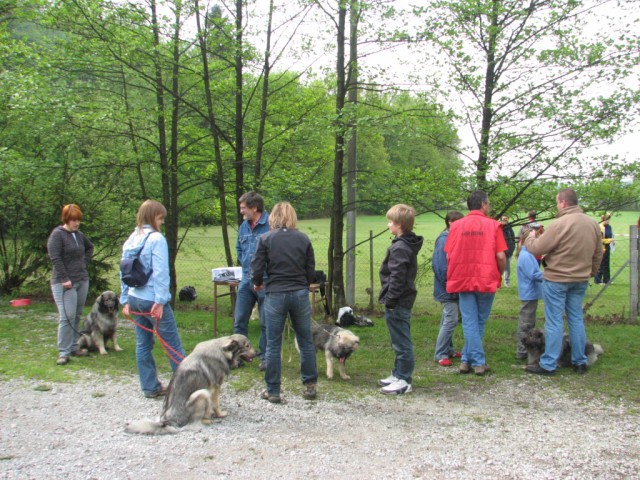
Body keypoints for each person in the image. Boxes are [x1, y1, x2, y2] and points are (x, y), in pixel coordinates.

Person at [523, 188, 602, 375]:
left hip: (557, 279)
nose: (557, 205)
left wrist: (530, 238)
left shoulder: (560, 224)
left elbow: (537, 248)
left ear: (563, 202)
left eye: (557, 202)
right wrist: (591, 271)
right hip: (580, 279)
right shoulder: (592, 224)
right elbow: (598, 253)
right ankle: (580, 361)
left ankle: (549, 363)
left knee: (554, 322)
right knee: (576, 319)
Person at [251, 201, 318, 403]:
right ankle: (310, 386)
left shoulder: (265, 238)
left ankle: (273, 390)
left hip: (276, 294)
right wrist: (304, 284)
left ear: (273, 217)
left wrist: (257, 283)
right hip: (299, 293)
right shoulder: (303, 238)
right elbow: (310, 270)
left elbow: (257, 266)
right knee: (306, 341)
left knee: (273, 344)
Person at [120, 200, 186, 398]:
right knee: (172, 344)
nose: (162, 222)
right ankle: (186, 388)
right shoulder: (156, 239)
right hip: (152, 300)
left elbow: (123, 271)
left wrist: (125, 300)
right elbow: (160, 272)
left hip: (134, 298)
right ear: (152, 217)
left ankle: (149, 387)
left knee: (143, 344)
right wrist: (161, 300)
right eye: (160, 218)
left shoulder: (132, 238)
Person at [445, 190, 507, 376]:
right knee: (478, 322)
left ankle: (466, 360)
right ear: (482, 204)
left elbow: (448, 253)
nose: (489, 206)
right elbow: (501, 256)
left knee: (470, 322)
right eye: (488, 203)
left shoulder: (455, 226)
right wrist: (499, 273)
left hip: (463, 277)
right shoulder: (494, 226)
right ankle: (479, 362)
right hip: (486, 276)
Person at [378, 204, 424, 394]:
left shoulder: (400, 247)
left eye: (390, 222)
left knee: (401, 342)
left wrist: (390, 300)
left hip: (398, 301)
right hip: (400, 300)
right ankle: (398, 373)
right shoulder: (404, 244)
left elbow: (397, 277)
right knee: (397, 339)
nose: (388, 225)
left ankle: (404, 379)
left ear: (398, 224)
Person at [47, 204, 94, 366]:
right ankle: (63, 351)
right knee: (66, 317)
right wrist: (64, 278)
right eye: (73, 220)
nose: (76, 223)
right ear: (66, 219)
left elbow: (90, 248)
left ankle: (74, 346)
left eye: (78, 220)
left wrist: (83, 263)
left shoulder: (79, 235)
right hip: (64, 283)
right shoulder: (57, 235)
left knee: (77, 314)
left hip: (82, 280)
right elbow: (55, 258)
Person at [234, 192, 269, 370]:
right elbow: (239, 249)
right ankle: (238, 355)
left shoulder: (270, 224)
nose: (241, 212)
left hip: (266, 281)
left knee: (265, 321)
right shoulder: (243, 227)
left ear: (254, 208)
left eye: (243, 208)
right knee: (240, 319)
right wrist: (247, 267)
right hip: (246, 279)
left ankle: (264, 357)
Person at [432, 211, 464, 367]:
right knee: (450, 320)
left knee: (448, 319)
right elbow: (440, 267)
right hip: (447, 288)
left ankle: (449, 349)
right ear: (450, 222)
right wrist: (450, 285)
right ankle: (440, 354)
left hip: (453, 287)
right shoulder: (444, 240)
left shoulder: (453, 238)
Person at [515, 226, 543, 360]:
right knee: (526, 323)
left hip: (531, 293)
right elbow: (533, 275)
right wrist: (550, 274)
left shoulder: (528, 254)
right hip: (528, 293)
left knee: (529, 322)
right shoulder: (526, 256)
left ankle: (525, 350)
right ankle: (522, 351)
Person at [595, 213, 614, 285]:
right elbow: (599, 240)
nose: (608, 221)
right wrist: (609, 240)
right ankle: (598, 280)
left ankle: (607, 280)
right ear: (603, 220)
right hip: (600, 248)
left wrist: (612, 240)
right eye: (606, 220)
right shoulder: (600, 227)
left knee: (606, 264)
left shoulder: (609, 227)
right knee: (600, 264)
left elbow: (610, 236)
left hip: (607, 247)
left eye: (609, 220)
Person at [501, 215, 516, 287]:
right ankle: (498, 282)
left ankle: (507, 282)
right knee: (499, 267)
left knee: (507, 268)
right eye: (503, 219)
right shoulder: (499, 228)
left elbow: (513, 238)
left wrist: (512, 248)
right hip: (501, 251)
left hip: (509, 251)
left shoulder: (510, 228)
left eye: (506, 219)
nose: (505, 220)